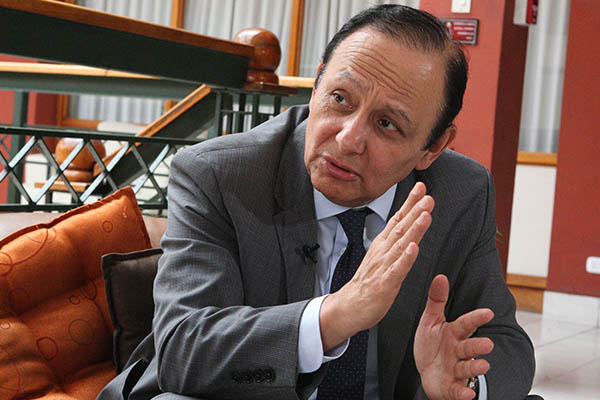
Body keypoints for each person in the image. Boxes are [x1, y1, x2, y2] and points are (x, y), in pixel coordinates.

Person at [98, 4, 535, 400]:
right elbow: (184, 350)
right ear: (317, 84)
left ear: (433, 147)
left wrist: (463, 383)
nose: (348, 139)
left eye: (387, 124)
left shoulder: (460, 191)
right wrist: (336, 315)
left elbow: (505, 342)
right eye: (340, 99)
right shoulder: (220, 174)